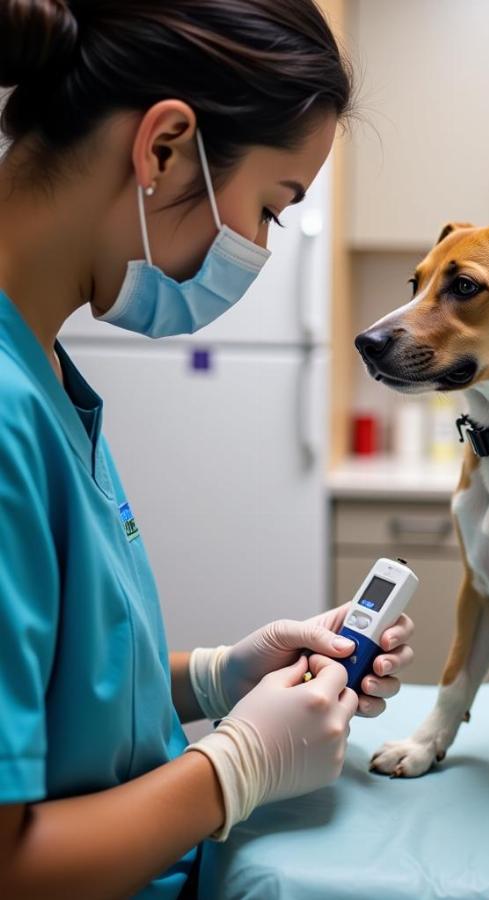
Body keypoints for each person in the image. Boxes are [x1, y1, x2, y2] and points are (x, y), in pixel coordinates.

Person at [0, 2, 415, 896]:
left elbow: (62, 691)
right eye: (271, 207)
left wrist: (224, 676)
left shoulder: (42, 376)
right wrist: (233, 769)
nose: (261, 247)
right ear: (164, 149)